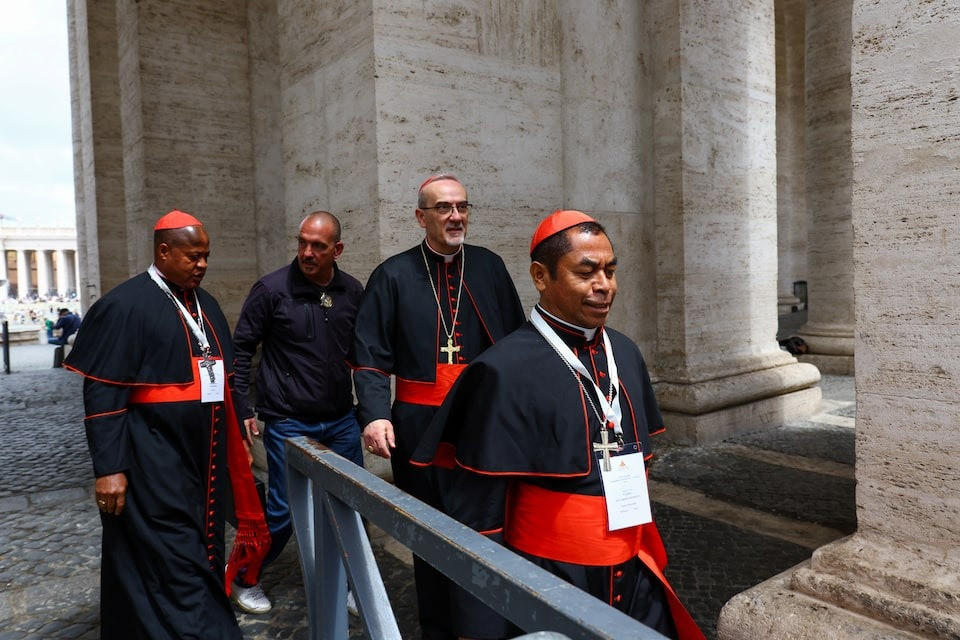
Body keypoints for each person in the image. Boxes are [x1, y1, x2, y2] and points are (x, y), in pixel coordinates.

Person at [412, 210, 705, 640]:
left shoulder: (624, 352)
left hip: (634, 572)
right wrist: (483, 626)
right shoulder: (500, 371)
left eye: (610, 271)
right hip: (548, 580)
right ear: (541, 276)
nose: (604, 285)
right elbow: (480, 521)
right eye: (586, 273)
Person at [63, 210, 269, 640]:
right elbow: (103, 394)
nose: (203, 265)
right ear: (163, 251)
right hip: (150, 458)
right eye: (194, 256)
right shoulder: (124, 306)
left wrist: (237, 440)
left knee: (196, 550)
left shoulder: (206, 304)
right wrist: (109, 469)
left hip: (203, 459)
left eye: (206, 256)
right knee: (175, 557)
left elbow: (224, 380)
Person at [351, 173, 525, 639]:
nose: (455, 216)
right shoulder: (392, 275)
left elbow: (515, 347)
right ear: (421, 216)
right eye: (444, 208)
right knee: (428, 535)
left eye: (462, 207)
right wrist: (375, 414)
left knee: (487, 528)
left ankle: (489, 623)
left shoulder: (488, 267)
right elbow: (369, 356)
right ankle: (440, 628)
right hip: (418, 426)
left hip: (479, 424)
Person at [230, 211, 364, 613]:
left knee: (352, 502)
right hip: (289, 420)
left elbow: (363, 352)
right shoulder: (271, 289)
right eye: (302, 242)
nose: (307, 252)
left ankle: (353, 584)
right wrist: (243, 406)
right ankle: (242, 577)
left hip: (341, 419)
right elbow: (240, 350)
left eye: (318, 246)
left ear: (336, 249)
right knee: (284, 509)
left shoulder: (352, 291)